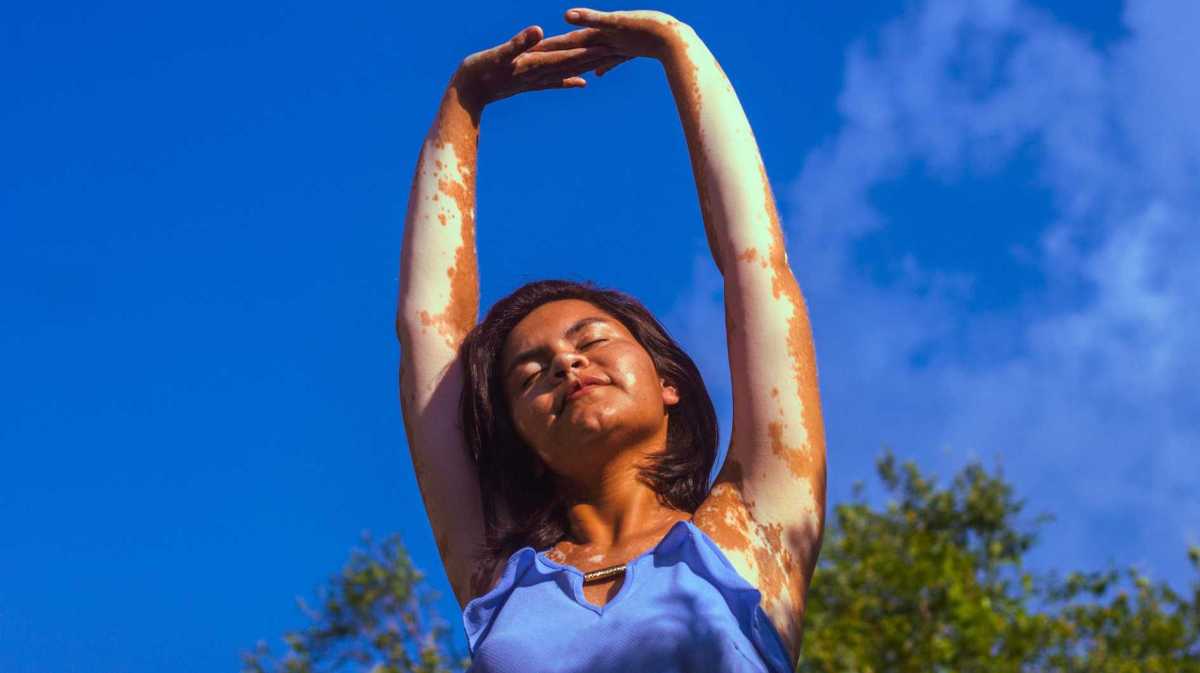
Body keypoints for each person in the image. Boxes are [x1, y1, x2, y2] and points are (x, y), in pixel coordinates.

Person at [395, 8, 826, 672]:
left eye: (591, 339)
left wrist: (677, 47)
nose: (565, 361)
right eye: (529, 373)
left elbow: (755, 263)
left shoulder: (748, 533)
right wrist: (462, 102)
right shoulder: (499, 576)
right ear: (524, 442)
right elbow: (430, 331)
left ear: (668, 383)